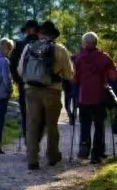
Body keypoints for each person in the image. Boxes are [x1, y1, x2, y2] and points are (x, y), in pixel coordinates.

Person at [17, 21, 74, 170]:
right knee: (52, 125)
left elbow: (20, 70)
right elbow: (69, 74)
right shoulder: (60, 49)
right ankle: (52, 156)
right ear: (53, 35)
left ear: (40, 33)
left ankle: (32, 159)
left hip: (31, 90)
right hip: (52, 91)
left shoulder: (29, 47)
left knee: (32, 124)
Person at [73, 32, 117, 164]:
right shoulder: (104, 58)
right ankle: (97, 154)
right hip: (100, 96)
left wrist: (75, 94)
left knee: (85, 124)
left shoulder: (78, 58)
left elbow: (75, 78)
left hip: (84, 96)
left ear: (84, 43)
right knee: (99, 125)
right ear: (96, 42)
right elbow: (114, 76)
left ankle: (84, 148)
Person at [10, 20, 40, 139]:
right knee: (38, 112)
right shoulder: (44, 44)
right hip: (40, 84)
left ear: (27, 31)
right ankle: (36, 139)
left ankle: (28, 139)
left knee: (25, 112)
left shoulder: (19, 45)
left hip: (24, 83)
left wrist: (18, 80)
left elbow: (12, 65)